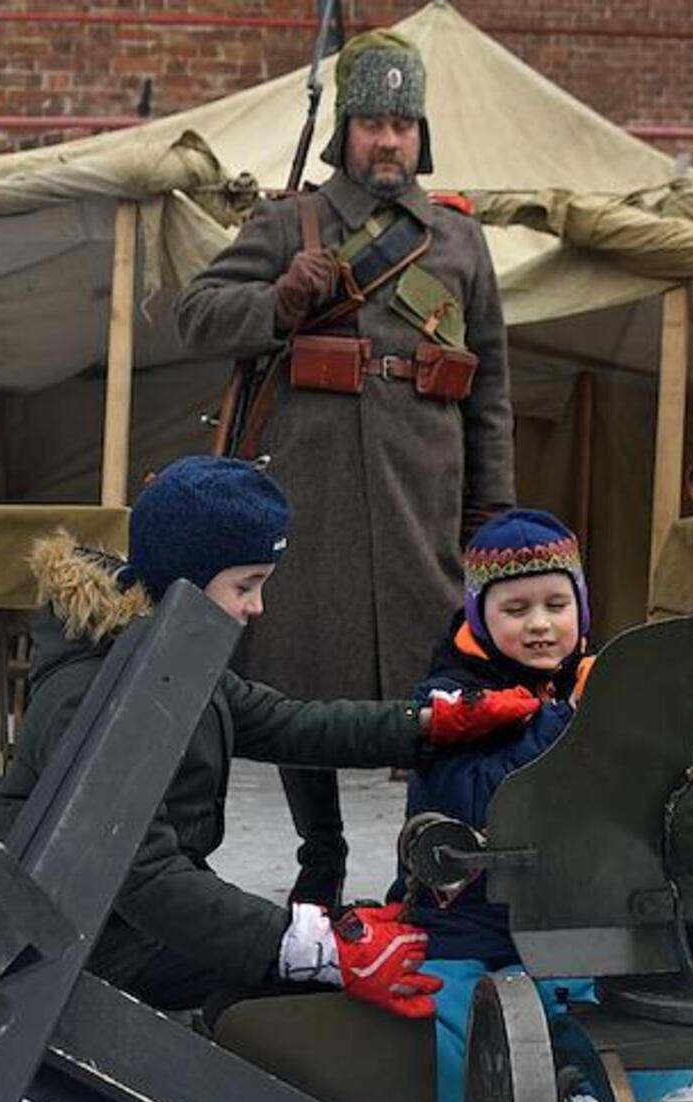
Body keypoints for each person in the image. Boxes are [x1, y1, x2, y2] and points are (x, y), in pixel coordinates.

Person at [0, 456, 540, 1021]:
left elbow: (287, 722)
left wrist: (425, 723)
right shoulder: (96, 693)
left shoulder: (162, 654)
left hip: (124, 923)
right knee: (318, 999)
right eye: (245, 585)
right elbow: (144, 877)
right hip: (78, 944)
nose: (257, 607)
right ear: (185, 578)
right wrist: (315, 948)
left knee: (350, 948)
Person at [175, 29, 515, 912]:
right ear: (346, 133)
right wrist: (279, 299)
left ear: (421, 130)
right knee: (300, 673)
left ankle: (419, 856)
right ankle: (319, 854)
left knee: (431, 680)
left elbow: (493, 390)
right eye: (372, 122)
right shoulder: (292, 222)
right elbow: (197, 316)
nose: (388, 141)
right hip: (311, 481)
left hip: (420, 491)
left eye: (403, 123)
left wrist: (492, 509)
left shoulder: (459, 243)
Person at [387, 508, 693, 1102]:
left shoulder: (606, 683)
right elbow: (474, 800)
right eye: (515, 608)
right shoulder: (448, 700)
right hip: (465, 931)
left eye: (556, 604)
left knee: (667, 1057)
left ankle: (557, 1061)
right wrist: (564, 723)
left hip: (574, 927)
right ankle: (518, 1063)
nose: (540, 625)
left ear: (581, 605)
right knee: (432, 1067)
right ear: (479, 614)